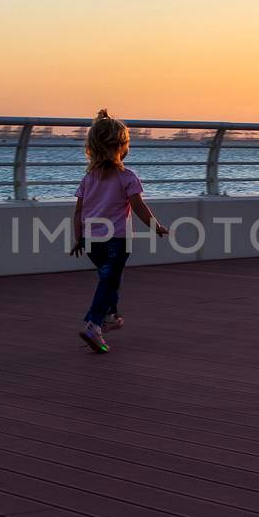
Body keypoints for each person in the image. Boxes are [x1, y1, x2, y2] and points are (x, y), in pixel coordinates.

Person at [71, 110, 168, 352]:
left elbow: (78, 211)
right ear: (122, 147)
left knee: (109, 280)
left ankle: (110, 316)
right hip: (116, 241)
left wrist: (79, 238)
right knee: (109, 281)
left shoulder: (88, 178)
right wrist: (156, 227)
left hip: (92, 241)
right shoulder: (128, 177)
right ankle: (94, 324)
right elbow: (138, 206)